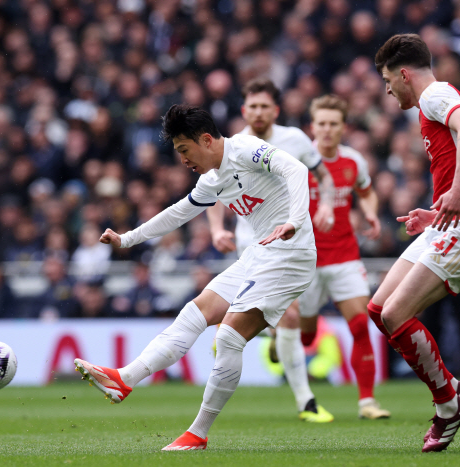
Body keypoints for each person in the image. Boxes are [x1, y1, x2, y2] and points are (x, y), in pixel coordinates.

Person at [74, 104, 316, 451]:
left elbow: (296, 169)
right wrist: (127, 239)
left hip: (291, 254)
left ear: (206, 139)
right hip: (260, 256)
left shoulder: (246, 149)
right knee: (195, 311)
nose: (183, 160)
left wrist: (294, 219)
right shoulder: (212, 179)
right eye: (178, 153)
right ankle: (124, 380)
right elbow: (178, 213)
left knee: (230, 336)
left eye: (185, 150)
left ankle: (198, 433)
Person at [370, 34, 460, 452]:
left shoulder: (434, 96)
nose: (388, 90)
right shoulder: (437, 98)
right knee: (379, 310)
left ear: (404, 73)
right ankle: (450, 393)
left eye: (389, 80)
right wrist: (438, 209)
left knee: (395, 314)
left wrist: (457, 193)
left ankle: (448, 403)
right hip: (450, 223)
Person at [207, 78, 338, 422]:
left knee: (288, 318)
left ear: (275, 110)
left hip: (287, 241)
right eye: (253, 106)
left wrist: (326, 206)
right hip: (250, 244)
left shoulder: (294, 140)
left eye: (265, 106)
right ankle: (304, 399)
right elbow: (212, 189)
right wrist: (217, 228)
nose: (259, 112)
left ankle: (274, 347)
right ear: (244, 110)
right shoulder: (232, 145)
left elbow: (324, 177)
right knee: (287, 317)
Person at [296, 94, 391, 419]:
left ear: (343, 127)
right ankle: (278, 337)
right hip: (306, 260)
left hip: (345, 256)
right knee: (306, 335)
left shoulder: (353, 161)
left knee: (361, 324)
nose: (326, 129)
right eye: (321, 123)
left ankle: (367, 402)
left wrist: (371, 214)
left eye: (333, 124)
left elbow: (366, 192)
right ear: (312, 126)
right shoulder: (296, 159)